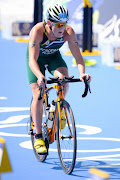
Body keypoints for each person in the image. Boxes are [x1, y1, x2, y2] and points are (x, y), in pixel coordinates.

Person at [26, 4, 91, 154]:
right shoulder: (37, 31)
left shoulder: (68, 32)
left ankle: (59, 107)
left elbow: (78, 57)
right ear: (48, 22)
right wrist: (40, 76)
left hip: (54, 57)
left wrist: (82, 73)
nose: (62, 28)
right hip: (36, 61)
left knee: (64, 78)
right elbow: (32, 60)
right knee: (38, 93)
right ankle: (38, 136)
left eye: (64, 23)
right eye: (58, 25)